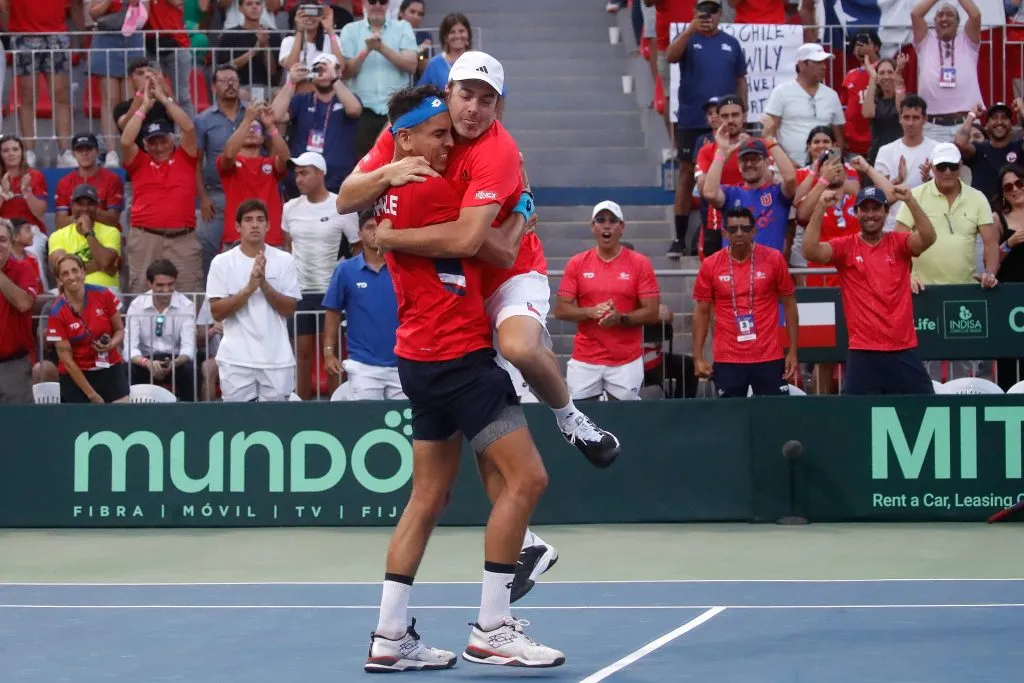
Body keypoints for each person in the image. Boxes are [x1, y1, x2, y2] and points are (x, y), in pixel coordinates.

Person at [340, 53, 621, 472]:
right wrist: (389, 172)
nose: (473, 108)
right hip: (459, 280)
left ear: (499, 107)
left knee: (519, 347)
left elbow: (479, 242)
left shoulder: (499, 151)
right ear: (447, 92)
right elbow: (346, 197)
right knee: (480, 415)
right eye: (466, 94)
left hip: (509, 270)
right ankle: (521, 536)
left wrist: (392, 238)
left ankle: (570, 418)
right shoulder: (417, 123)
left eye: (486, 100)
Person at [364, 87, 564, 673]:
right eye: (438, 134)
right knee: (528, 479)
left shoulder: (390, 188)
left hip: (417, 359)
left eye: (452, 135)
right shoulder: (436, 187)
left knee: (427, 497)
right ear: (405, 139)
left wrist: (383, 230)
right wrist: (522, 203)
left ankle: (388, 636)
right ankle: (493, 628)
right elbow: (490, 244)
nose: (452, 143)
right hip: (459, 357)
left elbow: (355, 195)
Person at [803, 186, 937, 395]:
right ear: (856, 213)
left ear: (886, 212)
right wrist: (820, 207)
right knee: (856, 418)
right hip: (863, 350)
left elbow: (928, 238)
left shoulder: (898, 242)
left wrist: (911, 201)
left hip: (901, 347)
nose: (870, 215)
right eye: (864, 209)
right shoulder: (846, 246)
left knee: (926, 409)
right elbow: (810, 251)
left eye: (876, 209)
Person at [666, 0, 747, 262]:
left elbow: (740, 80)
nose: (708, 16)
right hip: (693, 117)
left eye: (713, 11)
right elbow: (670, 56)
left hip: (725, 117)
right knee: (687, 174)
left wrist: (743, 112)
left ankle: (724, 227)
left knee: (731, 166)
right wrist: (689, 30)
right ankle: (679, 238)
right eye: (703, 11)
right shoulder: (688, 38)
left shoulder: (731, 43)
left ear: (721, 14)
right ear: (694, 14)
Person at [555, 201, 661, 401]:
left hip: (625, 360)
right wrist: (590, 312)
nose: (606, 225)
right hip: (585, 358)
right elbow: (560, 309)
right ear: (592, 226)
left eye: (612, 221)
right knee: (582, 421)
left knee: (622, 421)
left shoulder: (640, 263)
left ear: (621, 227)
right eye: (601, 220)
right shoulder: (577, 263)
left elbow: (652, 312)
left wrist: (620, 318)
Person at [691, 206, 799, 397]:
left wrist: (793, 352)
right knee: (731, 419)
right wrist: (698, 357)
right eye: (733, 229)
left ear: (754, 231)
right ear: (724, 232)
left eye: (745, 228)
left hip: (769, 355)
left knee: (776, 416)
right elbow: (702, 313)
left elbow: (790, 305)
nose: (739, 234)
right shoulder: (711, 265)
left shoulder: (774, 259)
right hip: (728, 357)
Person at [206, 199, 302, 402]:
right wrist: (250, 288)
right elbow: (217, 312)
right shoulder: (221, 262)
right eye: (248, 220)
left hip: (277, 358)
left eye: (260, 220)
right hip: (235, 359)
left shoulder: (284, 260)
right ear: (238, 227)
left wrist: (264, 285)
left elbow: (290, 309)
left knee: (276, 425)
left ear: (268, 226)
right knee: (236, 423)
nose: (255, 224)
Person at [282, 152, 361, 399]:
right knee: (302, 355)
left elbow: (357, 248)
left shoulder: (342, 206)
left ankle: (336, 410)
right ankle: (302, 412)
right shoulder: (289, 208)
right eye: (296, 174)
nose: (298, 179)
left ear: (320, 174)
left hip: (333, 294)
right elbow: (287, 248)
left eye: (304, 173)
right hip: (300, 292)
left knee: (333, 354)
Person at [121, 73, 202, 294]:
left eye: (163, 140)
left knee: (189, 296)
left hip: (183, 238)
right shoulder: (139, 162)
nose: (158, 147)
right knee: (141, 295)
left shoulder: (185, 157)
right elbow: (126, 140)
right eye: (152, 142)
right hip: (146, 237)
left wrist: (165, 100)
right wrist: (143, 107)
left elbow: (189, 128)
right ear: (145, 145)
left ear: (172, 139)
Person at [896, 143, 999, 291]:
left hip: (966, 289)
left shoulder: (977, 198)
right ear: (932, 168)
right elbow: (898, 243)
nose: (948, 171)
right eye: (942, 166)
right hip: (922, 289)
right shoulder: (914, 196)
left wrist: (990, 273)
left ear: (961, 165)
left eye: (953, 166)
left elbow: (991, 243)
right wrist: (907, 276)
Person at [323, 212, 403, 400]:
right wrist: (328, 353)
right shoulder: (345, 270)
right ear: (359, 233)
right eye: (369, 227)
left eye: (379, 227)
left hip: (402, 363)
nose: (375, 232)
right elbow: (332, 312)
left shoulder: (403, 268)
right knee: (367, 423)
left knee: (405, 427)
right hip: (363, 366)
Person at [271, 54, 363, 197]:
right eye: (318, 69)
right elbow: (276, 115)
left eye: (328, 68)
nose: (323, 72)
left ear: (338, 72)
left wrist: (334, 79)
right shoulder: (301, 100)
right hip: (300, 185)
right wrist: (291, 82)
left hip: (338, 185)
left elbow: (354, 110)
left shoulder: (347, 99)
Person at [45, 254, 130, 404]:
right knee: (82, 423)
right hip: (76, 375)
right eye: (65, 273)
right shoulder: (57, 311)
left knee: (121, 417)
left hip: (109, 366)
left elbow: (119, 330)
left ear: (83, 272)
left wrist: (110, 345)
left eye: (75, 270)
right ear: (59, 280)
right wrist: (91, 395)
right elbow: (67, 361)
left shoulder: (104, 295)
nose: (71, 277)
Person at [340, 0, 418, 160]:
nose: (377, 5)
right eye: (372, 1)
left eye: (382, 1)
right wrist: (367, 50)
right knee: (361, 166)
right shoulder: (350, 30)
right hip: (362, 112)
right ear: (364, 3)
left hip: (396, 112)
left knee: (397, 163)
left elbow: (411, 65)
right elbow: (346, 72)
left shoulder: (403, 27)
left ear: (388, 4)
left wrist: (382, 48)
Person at [702, 136, 798, 257]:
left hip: (770, 270)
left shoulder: (778, 193)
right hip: (735, 270)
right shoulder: (730, 193)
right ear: (739, 164)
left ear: (767, 162)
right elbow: (709, 193)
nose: (749, 164)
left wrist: (770, 141)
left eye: (755, 159)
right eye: (744, 160)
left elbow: (790, 178)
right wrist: (721, 152)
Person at [5, 0, 74, 168]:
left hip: (56, 34)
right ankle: (28, 151)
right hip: (23, 33)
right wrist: (12, 32)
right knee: (27, 96)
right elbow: (5, 6)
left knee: (61, 94)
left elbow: (74, 5)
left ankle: (65, 151)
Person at [197, 65, 248, 276]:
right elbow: (197, 162)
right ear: (213, 86)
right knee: (208, 246)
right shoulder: (203, 120)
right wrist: (203, 197)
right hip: (218, 194)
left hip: (249, 191)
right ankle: (215, 297)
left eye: (234, 80)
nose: (230, 84)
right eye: (224, 80)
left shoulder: (252, 114)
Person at [217, 101, 290, 250]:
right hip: (236, 239)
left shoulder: (270, 163)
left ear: (263, 138)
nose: (251, 130)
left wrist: (270, 126)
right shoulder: (230, 162)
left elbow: (286, 159)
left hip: (270, 239)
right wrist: (248, 119)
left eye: (255, 128)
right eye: (247, 129)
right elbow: (229, 153)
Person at [911, 0, 984, 143]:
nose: (944, 18)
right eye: (940, 15)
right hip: (932, 127)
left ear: (957, 22)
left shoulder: (968, 40)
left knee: (971, 165)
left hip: (967, 122)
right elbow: (916, 14)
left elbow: (975, 15)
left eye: (950, 15)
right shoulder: (925, 41)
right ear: (935, 22)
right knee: (932, 165)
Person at [126, 259, 197, 401]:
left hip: (175, 360)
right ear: (149, 284)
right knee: (128, 369)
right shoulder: (137, 305)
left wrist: (173, 364)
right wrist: (148, 364)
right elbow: (129, 349)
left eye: (170, 284)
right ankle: (133, 414)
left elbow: (188, 349)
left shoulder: (186, 305)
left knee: (189, 370)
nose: (166, 291)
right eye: (160, 285)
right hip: (145, 361)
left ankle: (187, 415)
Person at [88, 0, 147, 168]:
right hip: (106, 38)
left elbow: (144, 17)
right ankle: (111, 151)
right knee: (110, 99)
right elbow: (93, 13)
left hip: (132, 37)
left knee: (130, 100)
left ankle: (130, 149)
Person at [873, 94, 939, 232]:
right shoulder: (885, 151)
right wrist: (898, 180)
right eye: (906, 117)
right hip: (893, 224)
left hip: (928, 224)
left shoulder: (937, 149)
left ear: (925, 120)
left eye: (915, 118)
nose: (910, 123)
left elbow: (944, 192)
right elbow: (880, 196)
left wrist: (928, 178)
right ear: (900, 119)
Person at [47, 185, 122, 294]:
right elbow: (63, 269)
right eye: (80, 204)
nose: (85, 209)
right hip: (70, 290)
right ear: (72, 207)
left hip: (105, 291)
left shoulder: (111, 232)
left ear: (97, 207)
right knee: (45, 300)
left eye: (90, 204)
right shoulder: (57, 235)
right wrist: (100, 265)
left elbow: (105, 263)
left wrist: (88, 232)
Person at [992, 164, 1024, 390]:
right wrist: (1009, 244)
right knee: (1009, 359)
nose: (1015, 190)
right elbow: (991, 262)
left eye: (1019, 183)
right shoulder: (997, 219)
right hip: (1009, 297)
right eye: (1008, 187)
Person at [0, 218, 38, 403]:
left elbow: (24, 303)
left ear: (11, 242)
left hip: (13, 367)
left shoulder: (24, 269)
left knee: (18, 428)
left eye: (2, 240)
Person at [954, 102, 1024, 202]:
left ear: (1011, 124)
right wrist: (972, 115)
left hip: (1012, 211)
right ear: (986, 125)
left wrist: (1021, 109)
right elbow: (960, 143)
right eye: (994, 117)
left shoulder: (1019, 147)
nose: (999, 122)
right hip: (981, 213)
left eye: (1004, 117)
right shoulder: (978, 149)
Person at [54, 133, 125, 230]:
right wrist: (87, 214)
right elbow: (60, 224)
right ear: (73, 154)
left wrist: (82, 212)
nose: (84, 153)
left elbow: (113, 220)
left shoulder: (112, 179)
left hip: (105, 235)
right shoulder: (64, 182)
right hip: (75, 235)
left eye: (88, 149)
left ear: (97, 151)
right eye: (80, 150)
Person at [0, 135, 48, 274]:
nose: (11, 154)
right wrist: (4, 192)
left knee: (30, 252)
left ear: (22, 153)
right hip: (3, 229)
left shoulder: (35, 176)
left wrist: (27, 192)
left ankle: (38, 293)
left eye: (15, 149)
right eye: (5, 150)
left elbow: (40, 212)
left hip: (30, 229)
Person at [840, 31, 882, 158]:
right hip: (854, 144)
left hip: (877, 141)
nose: (860, 48)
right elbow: (844, 107)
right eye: (857, 45)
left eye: (865, 44)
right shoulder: (850, 75)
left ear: (876, 47)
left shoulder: (884, 70)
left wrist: (871, 56)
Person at [863, 56, 908, 165]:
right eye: (881, 73)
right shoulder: (875, 100)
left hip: (900, 153)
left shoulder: (903, 97)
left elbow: (901, 111)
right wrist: (873, 78)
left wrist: (897, 77)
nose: (886, 76)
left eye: (890, 72)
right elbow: (867, 113)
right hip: (878, 154)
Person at [417, 13, 473, 90]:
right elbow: (420, 93)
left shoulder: (477, 60)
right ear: (445, 37)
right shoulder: (434, 64)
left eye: (461, 31)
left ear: (468, 34)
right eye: (452, 32)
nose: (457, 36)